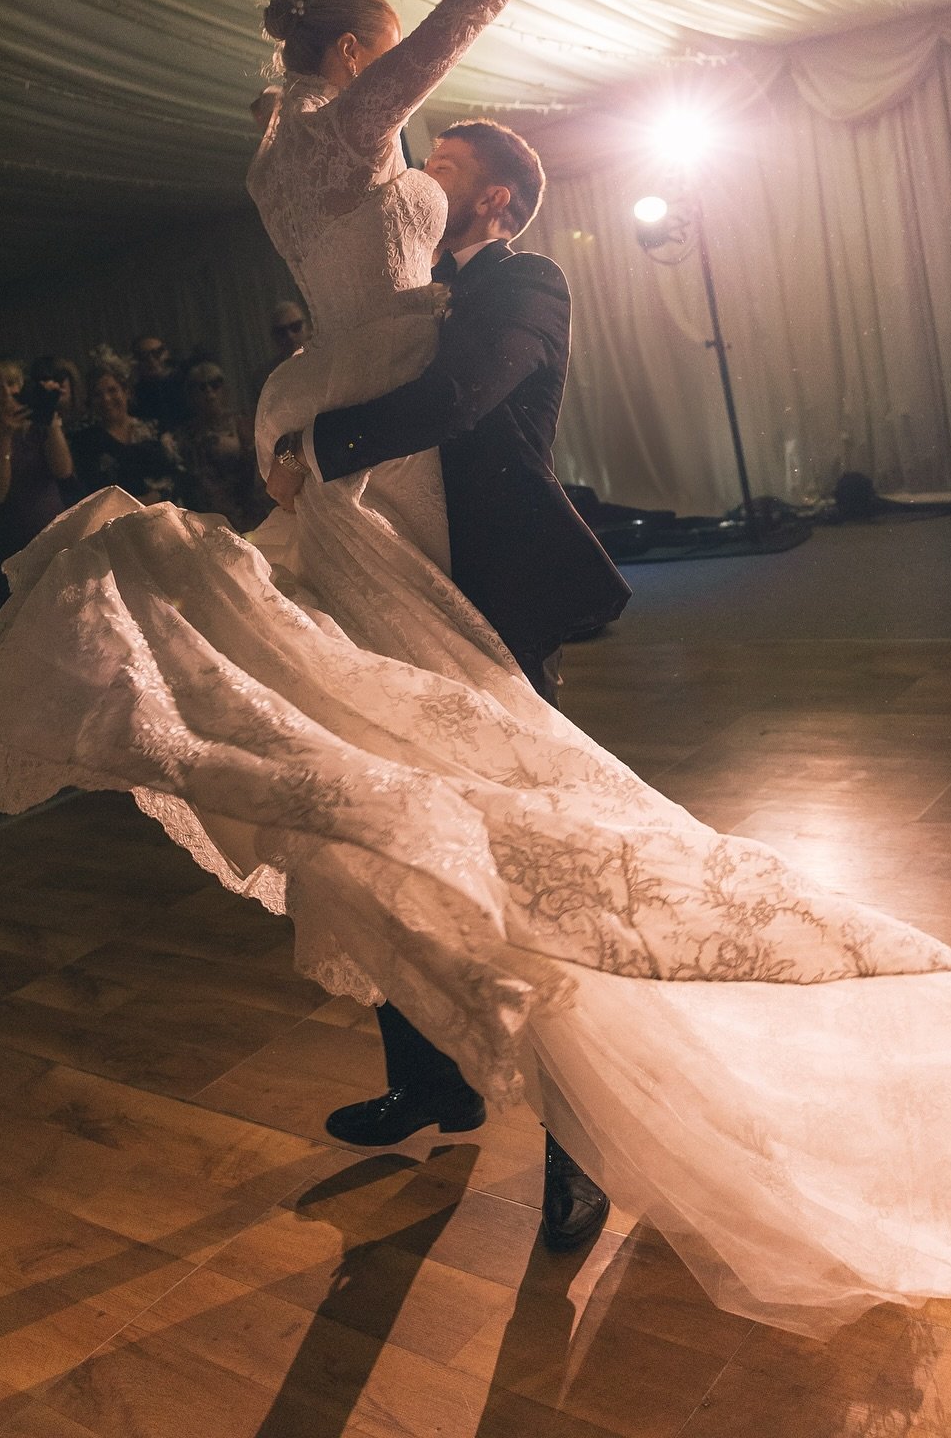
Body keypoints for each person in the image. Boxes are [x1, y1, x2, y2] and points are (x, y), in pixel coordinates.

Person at [0, 0, 951, 1333]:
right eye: (406, 73)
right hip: (365, 484)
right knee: (401, 804)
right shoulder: (345, 150)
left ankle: (566, 1114)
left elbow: (467, 33)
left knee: (473, 811)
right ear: (352, 54)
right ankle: (457, 1083)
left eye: (461, 137)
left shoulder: (405, 211)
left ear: (501, 201)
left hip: (390, 484)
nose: (440, 108)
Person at [265, 119, 626, 1246]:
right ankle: (434, 1083)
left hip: (496, 611)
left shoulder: (527, 281)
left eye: (448, 167)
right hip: (393, 598)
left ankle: (582, 1144)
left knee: (532, 875)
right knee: (392, 844)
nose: (420, 175)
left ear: (497, 206)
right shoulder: (401, 301)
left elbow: (462, 399)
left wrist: (313, 443)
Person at [0, 357, 73, 571]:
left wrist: (49, 415)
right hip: (16, 547)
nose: (6, 392)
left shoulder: (37, 428)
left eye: (11, 383)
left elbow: (63, 470)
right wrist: (5, 438)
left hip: (57, 536)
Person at [171, 361, 269, 531]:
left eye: (215, 384)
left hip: (250, 510)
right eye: (201, 387)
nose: (209, 392)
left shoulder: (243, 423)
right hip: (209, 516)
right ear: (192, 394)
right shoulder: (184, 435)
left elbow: (260, 468)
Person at [70, 366, 185, 504]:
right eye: (97, 394)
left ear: (126, 392)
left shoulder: (155, 429)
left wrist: (157, 496)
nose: (106, 399)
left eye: (112, 390)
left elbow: (179, 472)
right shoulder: (85, 441)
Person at [129, 334, 186, 432]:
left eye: (156, 353)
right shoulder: (134, 396)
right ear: (136, 360)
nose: (151, 359)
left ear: (166, 353)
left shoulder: (185, 384)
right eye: (144, 356)